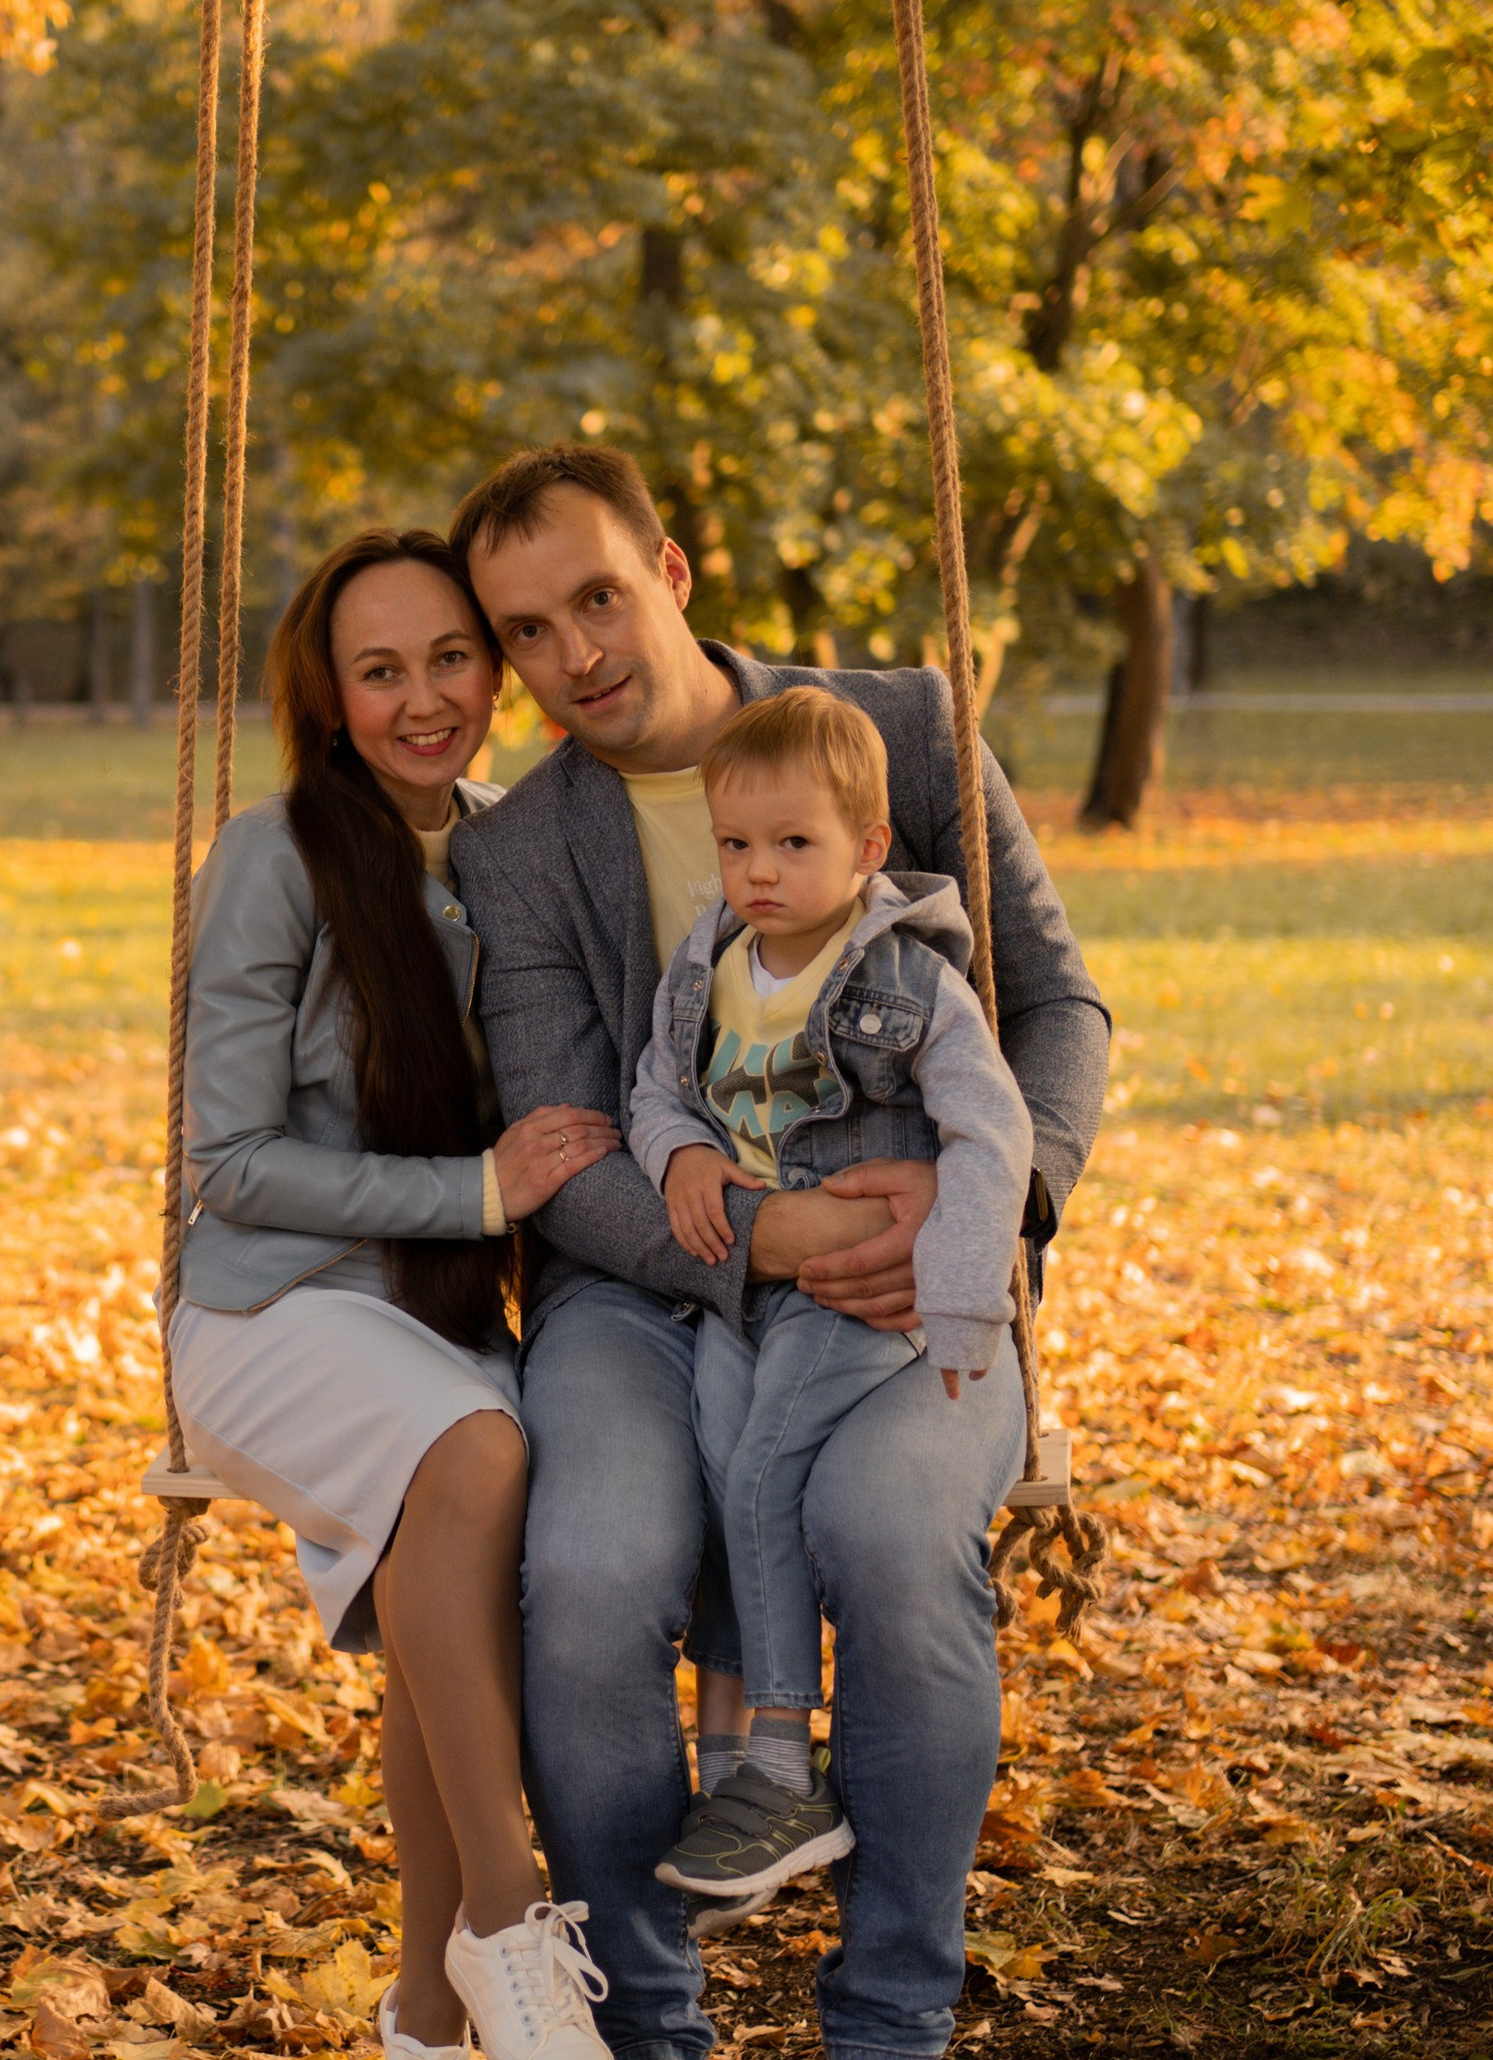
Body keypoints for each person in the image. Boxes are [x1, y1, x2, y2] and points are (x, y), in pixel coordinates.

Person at [448, 447, 1109, 2060]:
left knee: (884, 1531)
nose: (576, 654)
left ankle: (890, 2021)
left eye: (598, 598)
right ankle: (647, 2028)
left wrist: (994, 1218)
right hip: (641, 1289)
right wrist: (774, 1237)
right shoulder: (523, 850)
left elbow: (1060, 1006)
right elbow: (572, 1148)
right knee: (592, 1578)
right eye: (526, 632)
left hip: (913, 1270)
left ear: (669, 573)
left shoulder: (896, 731)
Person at [170, 527, 620, 2060]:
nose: (424, 698)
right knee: (478, 1455)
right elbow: (228, 1162)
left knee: (456, 1570)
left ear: (493, 667)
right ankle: (508, 1914)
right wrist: (478, 1191)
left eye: (449, 657)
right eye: (381, 671)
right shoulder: (274, 855)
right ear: (331, 695)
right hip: (268, 1316)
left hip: (428, 1324)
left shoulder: (511, 845)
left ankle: (430, 2020)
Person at [624, 688, 1032, 1900]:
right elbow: (656, 1089)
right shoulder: (709, 967)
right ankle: (746, 1755)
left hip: (865, 1298)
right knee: (716, 1455)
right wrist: (682, 1157)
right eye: (736, 844)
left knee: (763, 1477)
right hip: (748, 1290)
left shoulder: (910, 981)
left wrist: (962, 1303)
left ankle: (779, 1766)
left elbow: (991, 1129)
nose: (757, 871)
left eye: (793, 845)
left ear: (864, 849)